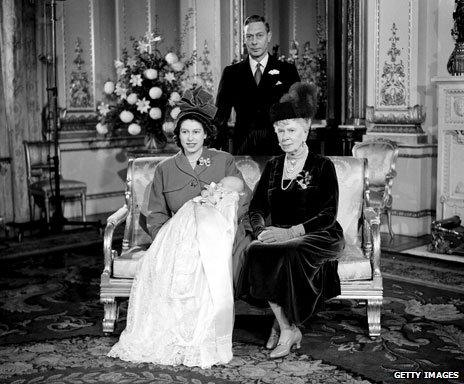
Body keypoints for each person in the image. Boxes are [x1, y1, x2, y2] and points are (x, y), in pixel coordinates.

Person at [108, 87, 251, 369]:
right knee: (177, 260)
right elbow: (155, 213)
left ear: (206, 134)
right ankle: (178, 334)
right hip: (178, 235)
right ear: (178, 136)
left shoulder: (223, 160)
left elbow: (242, 200)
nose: (191, 138)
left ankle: (206, 336)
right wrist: (168, 240)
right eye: (185, 132)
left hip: (218, 234)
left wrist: (218, 219)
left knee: (210, 261)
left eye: (196, 132)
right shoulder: (165, 169)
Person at [238, 82, 345, 359]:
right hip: (281, 232)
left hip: (320, 234)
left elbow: (328, 214)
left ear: (305, 131)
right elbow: (257, 207)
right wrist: (261, 231)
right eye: (281, 131)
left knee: (291, 251)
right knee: (256, 251)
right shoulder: (273, 166)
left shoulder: (322, 166)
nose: (285, 137)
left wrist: (290, 233)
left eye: (291, 130)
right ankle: (288, 327)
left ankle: (284, 326)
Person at [215, 14, 300, 155]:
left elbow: (297, 113)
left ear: (269, 36)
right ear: (244, 39)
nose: (254, 42)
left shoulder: (287, 71)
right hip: (243, 148)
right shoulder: (231, 73)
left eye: (259, 35)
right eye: (249, 36)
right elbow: (220, 116)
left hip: (279, 149)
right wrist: (218, 151)